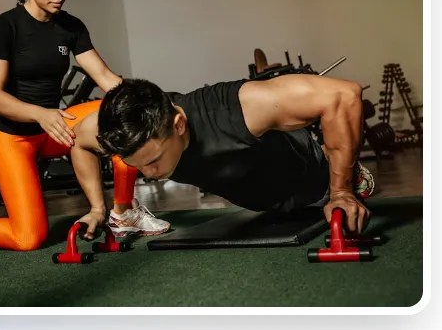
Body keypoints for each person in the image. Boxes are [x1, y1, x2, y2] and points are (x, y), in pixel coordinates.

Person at [0, 0, 170, 251]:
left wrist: (153, 100)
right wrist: (40, 113)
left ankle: (123, 214)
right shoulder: (4, 27)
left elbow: (106, 78)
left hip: (55, 127)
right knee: (28, 238)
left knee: (124, 116)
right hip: (12, 137)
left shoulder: (70, 27)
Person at [68, 74, 376, 239]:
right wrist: (97, 209)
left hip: (311, 176)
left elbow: (344, 94)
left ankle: (346, 172)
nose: (148, 174)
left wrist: (342, 192)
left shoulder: (237, 108)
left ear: (179, 125)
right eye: (137, 165)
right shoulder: (118, 130)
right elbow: (78, 142)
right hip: (265, 203)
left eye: (153, 161)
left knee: (326, 181)